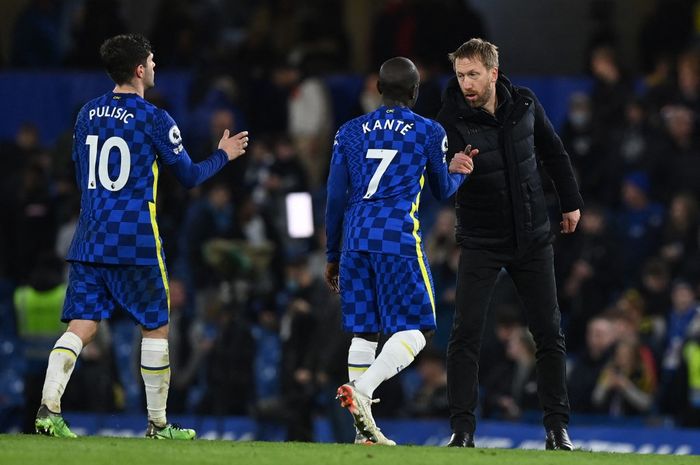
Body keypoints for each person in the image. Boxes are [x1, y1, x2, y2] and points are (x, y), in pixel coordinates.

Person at [33, 33, 249, 439]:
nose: (154, 67)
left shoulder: (87, 113)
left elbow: (79, 172)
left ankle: (48, 409)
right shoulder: (154, 118)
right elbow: (188, 177)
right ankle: (158, 423)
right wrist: (224, 155)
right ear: (138, 69)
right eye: (151, 61)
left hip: (90, 234)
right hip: (135, 239)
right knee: (155, 326)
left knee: (81, 325)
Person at [436, 38, 583, 450]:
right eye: (460, 75)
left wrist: (570, 202)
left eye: (473, 74)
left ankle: (557, 428)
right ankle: (462, 431)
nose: (465, 82)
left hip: (533, 236)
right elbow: (432, 179)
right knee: (465, 334)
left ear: (493, 73)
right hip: (482, 240)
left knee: (549, 333)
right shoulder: (448, 119)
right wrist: (447, 167)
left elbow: (554, 153)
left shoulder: (525, 104)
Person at [324, 56, 476, 445]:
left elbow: (334, 197)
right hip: (396, 238)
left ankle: (363, 434)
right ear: (415, 91)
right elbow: (442, 190)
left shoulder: (349, 132)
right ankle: (362, 390)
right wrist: (458, 171)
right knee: (420, 327)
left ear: (377, 89)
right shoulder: (428, 131)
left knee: (365, 329)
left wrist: (331, 253)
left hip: (355, 240)